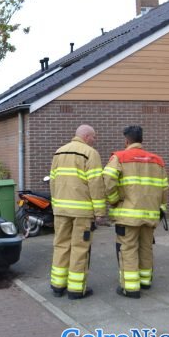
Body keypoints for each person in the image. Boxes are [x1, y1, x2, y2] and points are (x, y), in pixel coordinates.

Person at [103, 125, 168, 299]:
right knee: (146, 247)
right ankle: (145, 281)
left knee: (128, 248)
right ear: (141, 139)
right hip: (150, 214)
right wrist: (161, 208)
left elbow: (107, 181)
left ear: (126, 140)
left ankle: (130, 288)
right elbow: (164, 188)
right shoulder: (157, 161)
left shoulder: (119, 157)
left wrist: (114, 200)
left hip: (128, 215)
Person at [49, 124, 106, 300]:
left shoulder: (59, 152)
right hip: (82, 212)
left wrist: (55, 205)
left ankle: (58, 285)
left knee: (61, 246)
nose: (95, 140)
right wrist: (100, 211)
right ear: (87, 137)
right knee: (79, 248)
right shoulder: (90, 153)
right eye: (94, 137)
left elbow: (53, 181)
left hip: (61, 210)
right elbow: (96, 184)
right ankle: (76, 289)